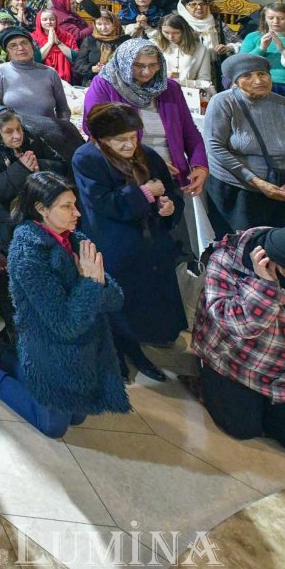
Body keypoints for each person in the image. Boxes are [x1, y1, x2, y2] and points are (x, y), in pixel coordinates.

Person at [0, 172, 131, 438]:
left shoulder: (76, 240)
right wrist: (91, 284)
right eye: (67, 206)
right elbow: (64, 324)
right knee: (53, 427)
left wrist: (96, 282)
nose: (77, 213)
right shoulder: (28, 251)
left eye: (75, 205)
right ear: (42, 209)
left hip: (82, 348)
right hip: (46, 346)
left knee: (78, 417)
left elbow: (115, 300)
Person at [74, 103, 182, 373]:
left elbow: (169, 191)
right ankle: (114, 352)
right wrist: (144, 193)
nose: (129, 145)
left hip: (148, 242)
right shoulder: (87, 158)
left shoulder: (148, 156)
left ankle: (137, 346)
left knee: (142, 301)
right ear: (101, 139)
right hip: (111, 241)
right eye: (120, 140)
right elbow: (102, 202)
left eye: (133, 137)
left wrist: (169, 207)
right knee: (115, 301)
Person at [81, 40, 208, 224]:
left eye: (153, 65)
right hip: (127, 176)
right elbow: (96, 131)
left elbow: (189, 130)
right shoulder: (105, 84)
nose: (146, 72)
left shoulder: (169, 88)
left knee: (170, 229)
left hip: (171, 176)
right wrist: (152, 163)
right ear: (125, 62)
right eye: (138, 65)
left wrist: (200, 165)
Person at [190, 225, 285, 450]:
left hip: (281, 373)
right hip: (235, 363)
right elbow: (237, 325)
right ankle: (204, 380)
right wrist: (265, 287)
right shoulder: (228, 258)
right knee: (242, 428)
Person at [204, 54, 285, 232]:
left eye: (262, 74)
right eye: (247, 75)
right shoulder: (223, 102)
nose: (258, 80)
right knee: (244, 244)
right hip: (238, 191)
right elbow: (214, 147)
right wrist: (256, 181)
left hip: (282, 190)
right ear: (236, 81)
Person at [0, 106, 66, 253]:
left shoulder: (30, 137)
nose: (17, 135)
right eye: (9, 131)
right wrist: (21, 168)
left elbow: (61, 165)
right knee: (15, 252)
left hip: (38, 209)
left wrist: (38, 165)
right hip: (7, 215)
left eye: (18, 129)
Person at [0, 28, 71, 121]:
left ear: (32, 46)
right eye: (13, 45)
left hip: (47, 128)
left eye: (24, 43)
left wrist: (62, 127)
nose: (21, 48)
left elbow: (64, 110)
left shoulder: (50, 73)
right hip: (14, 129)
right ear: (8, 52)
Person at [154, 13, 213, 98]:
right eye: (166, 32)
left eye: (176, 33)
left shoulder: (201, 49)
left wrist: (182, 82)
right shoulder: (155, 46)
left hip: (188, 95)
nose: (170, 37)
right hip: (159, 94)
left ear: (184, 31)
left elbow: (205, 80)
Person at [238, 2, 285, 97]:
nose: (275, 21)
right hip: (258, 84)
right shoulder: (253, 36)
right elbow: (240, 63)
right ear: (264, 19)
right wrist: (261, 48)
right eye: (271, 18)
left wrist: (282, 49)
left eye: (281, 18)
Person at [177, 0, 240, 65]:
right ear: (184, 8)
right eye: (193, 4)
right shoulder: (179, 26)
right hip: (190, 66)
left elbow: (239, 43)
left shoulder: (216, 23)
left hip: (216, 66)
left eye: (202, 4)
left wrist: (228, 48)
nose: (199, 7)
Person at [74, 11, 129, 87]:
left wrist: (111, 68)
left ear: (114, 24)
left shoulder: (125, 41)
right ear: (94, 25)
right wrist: (93, 68)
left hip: (118, 84)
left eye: (107, 24)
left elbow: (129, 64)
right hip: (92, 83)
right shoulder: (90, 41)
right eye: (99, 24)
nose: (103, 28)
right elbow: (78, 65)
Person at [32, 8, 78, 83]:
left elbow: (76, 57)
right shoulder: (33, 37)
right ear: (39, 21)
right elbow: (34, 59)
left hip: (67, 81)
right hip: (41, 79)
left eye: (52, 19)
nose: (49, 22)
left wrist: (58, 42)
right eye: (44, 19)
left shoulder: (67, 36)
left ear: (56, 20)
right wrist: (50, 43)